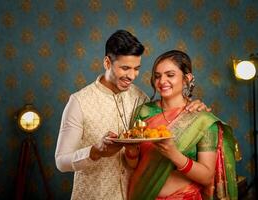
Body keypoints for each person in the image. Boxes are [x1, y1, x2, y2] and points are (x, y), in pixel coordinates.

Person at [55, 30, 210, 200]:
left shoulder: (140, 99)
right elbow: (61, 161)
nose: (132, 76)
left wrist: (194, 105)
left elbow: (170, 112)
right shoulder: (79, 102)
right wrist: (94, 151)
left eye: (137, 69)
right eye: (125, 68)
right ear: (107, 63)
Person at [126, 50, 238, 200]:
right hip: (144, 195)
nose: (162, 81)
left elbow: (206, 176)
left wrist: (174, 154)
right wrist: (131, 150)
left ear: (187, 78)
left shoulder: (202, 120)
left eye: (170, 75)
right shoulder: (144, 112)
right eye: (157, 76)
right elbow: (133, 165)